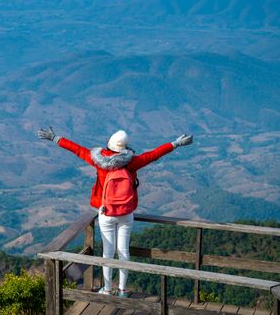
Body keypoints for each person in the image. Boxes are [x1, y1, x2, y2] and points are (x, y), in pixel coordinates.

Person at [37, 127, 193, 297]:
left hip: (106, 212)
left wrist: (55, 138)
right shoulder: (132, 162)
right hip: (126, 213)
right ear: (125, 147)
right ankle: (123, 289)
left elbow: (77, 149)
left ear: (109, 144)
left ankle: (107, 288)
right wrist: (176, 143)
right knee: (123, 252)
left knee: (107, 252)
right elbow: (154, 154)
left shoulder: (99, 159)